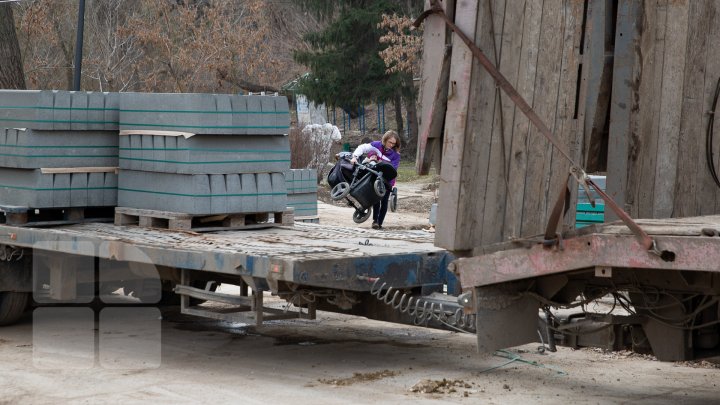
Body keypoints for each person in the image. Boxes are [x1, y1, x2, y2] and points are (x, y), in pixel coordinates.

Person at [351, 130, 401, 229]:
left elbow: (393, 169)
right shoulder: (376, 145)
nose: (391, 145)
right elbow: (362, 148)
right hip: (375, 176)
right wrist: (355, 157)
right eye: (389, 142)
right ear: (385, 140)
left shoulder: (396, 155)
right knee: (376, 199)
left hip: (387, 180)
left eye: (393, 143)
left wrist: (379, 162)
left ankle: (380, 222)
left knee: (384, 201)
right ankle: (375, 222)